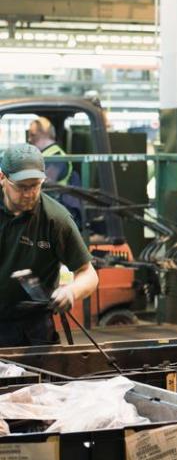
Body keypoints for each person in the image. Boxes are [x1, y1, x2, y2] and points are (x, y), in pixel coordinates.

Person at [0, 144, 98, 346]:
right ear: (2, 178)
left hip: (31, 330)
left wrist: (71, 291)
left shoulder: (55, 219)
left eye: (35, 185)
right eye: (21, 187)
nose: (29, 194)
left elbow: (88, 274)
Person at [27, 118, 77, 186]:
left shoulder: (57, 158)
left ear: (45, 133)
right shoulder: (44, 154)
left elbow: (43, 185)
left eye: (33, 135)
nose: (29, 139)